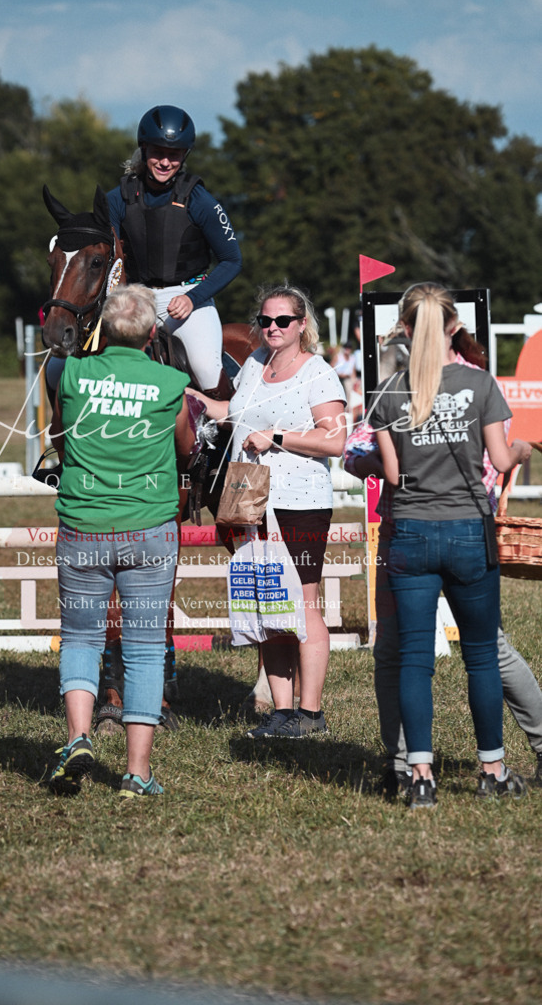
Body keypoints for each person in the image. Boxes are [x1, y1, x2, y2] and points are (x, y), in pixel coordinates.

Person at [368, 281, 532, 808]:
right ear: (454, 326)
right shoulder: (479, 384)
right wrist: (523, 448)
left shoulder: (389, 392)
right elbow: (500, 462)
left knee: (415, 659)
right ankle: (493, 770)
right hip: (467, 531)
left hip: (411, 533)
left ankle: (420, 775)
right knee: (481, 657)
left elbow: (392, 474)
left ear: (405, 328)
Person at [47, 284, 194, 798]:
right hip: (149, 528)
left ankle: (78, 738)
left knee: (80, 639)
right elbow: (186, 447)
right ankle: (137, 772)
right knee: (146, 649)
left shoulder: (72, 374)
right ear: (152, 334)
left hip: (84, 524)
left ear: (102, 331)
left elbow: (60, 434)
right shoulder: (171, 381)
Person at [344, 422, 542, 798]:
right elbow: (354, 451)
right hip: (420, 530)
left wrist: (399, 466)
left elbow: (488, 464)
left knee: (481, 649)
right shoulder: (399, 394)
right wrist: (517, 451)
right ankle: (404, 766)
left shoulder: (468, 391)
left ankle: (416, 770)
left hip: (439, 529)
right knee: (400, 650)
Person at [192, 284, 347, 738]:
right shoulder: (255, 364)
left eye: (282, 320)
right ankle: (281, 712)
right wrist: (195, 399)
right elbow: (236, 413)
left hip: (300, 503)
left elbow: (334, 440)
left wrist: (277, 437)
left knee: (304, 605)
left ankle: (310, 712)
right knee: (268, 604)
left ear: (302, 324)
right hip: (251, 498)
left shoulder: (318, 372)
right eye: (265, 320)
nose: (272, 328)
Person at [106, 105, 242, 398]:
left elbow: (232, 260)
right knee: (65, 366)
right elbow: (106, 258)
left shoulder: (200, 201)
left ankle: (226, 424)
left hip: (187, 299)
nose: (165, 162)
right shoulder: (118, 198)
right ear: (144, 148)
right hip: (133, 298)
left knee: (206, 368)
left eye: (175, 154)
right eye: (158, 152)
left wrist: (193, 298)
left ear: (185, 155)